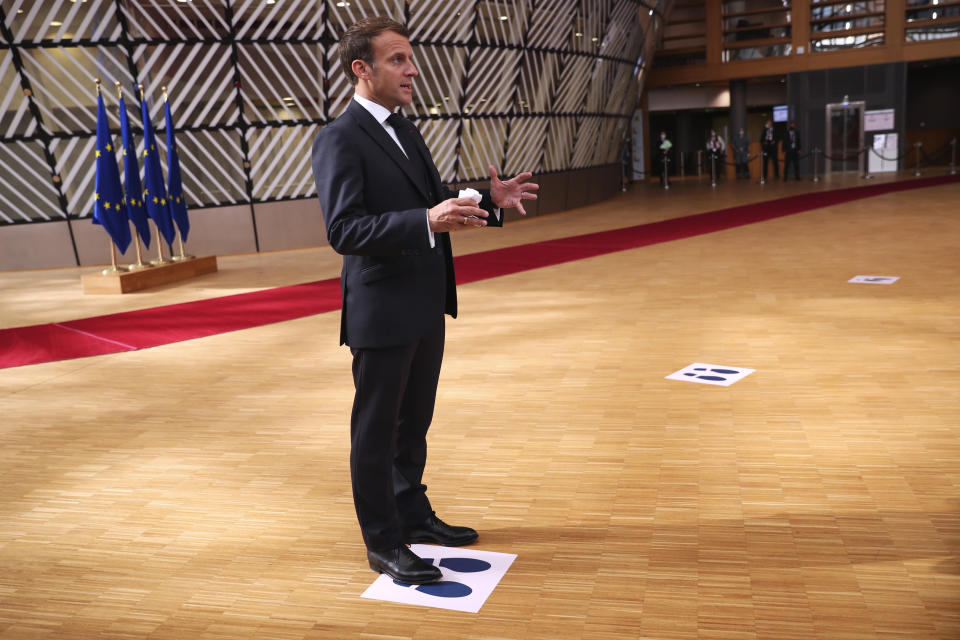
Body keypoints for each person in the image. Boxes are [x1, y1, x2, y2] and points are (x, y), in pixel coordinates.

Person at [311, 16, 538, 585]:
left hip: (423, 302)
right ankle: (383, 543)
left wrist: (487, 194)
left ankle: (413, 515)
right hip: (382, 310)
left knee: (414, 425)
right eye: (397, 59)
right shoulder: (339, 137)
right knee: (376, 431)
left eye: (410, 58)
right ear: (362, 69)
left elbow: (426, 197)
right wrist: (426, 220)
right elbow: (344, 230)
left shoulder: (403, 129)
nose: (412, 69)